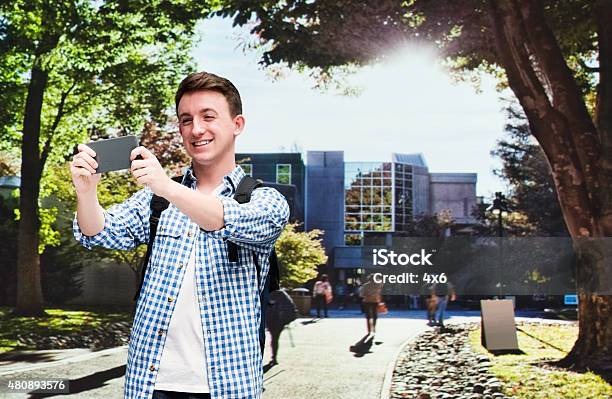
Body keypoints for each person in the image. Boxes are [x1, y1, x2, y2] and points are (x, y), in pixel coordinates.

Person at [70, 71, 289, 399]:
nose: (196, 129)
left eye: (208, 116)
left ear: (237, 124)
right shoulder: (155, 200)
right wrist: (86, 193)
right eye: (186, 120)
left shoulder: (264, 199)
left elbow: (228, 220)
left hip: (229, 385)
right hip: (151, 383)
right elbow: (98, 233)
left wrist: (165, 185)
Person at [265, 288, 298, 365]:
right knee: (274, 338)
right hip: (278, 320)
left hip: (275, 320)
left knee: (274, 338)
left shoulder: (271, 293)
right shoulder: (282, 294)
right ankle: (274, 357)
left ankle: (274, 357)